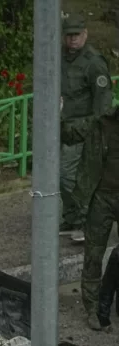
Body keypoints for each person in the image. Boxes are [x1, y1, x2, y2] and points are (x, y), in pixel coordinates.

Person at [60, 15, 112, 240]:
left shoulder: (94, 62)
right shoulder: (59, 58)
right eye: (69, 35)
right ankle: (72, 217)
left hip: (83, 129)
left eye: (77, 34)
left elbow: (103, 104)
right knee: (57, 176)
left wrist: (96, 130)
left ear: (85, 34)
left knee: (68, 175)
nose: (73, 39)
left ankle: (85, 220)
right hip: (61, 127)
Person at [76, 103, 119, 331]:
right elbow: (73, 134)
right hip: (101, 196)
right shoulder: (103, 123)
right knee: (93, 254)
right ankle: (93, 308)